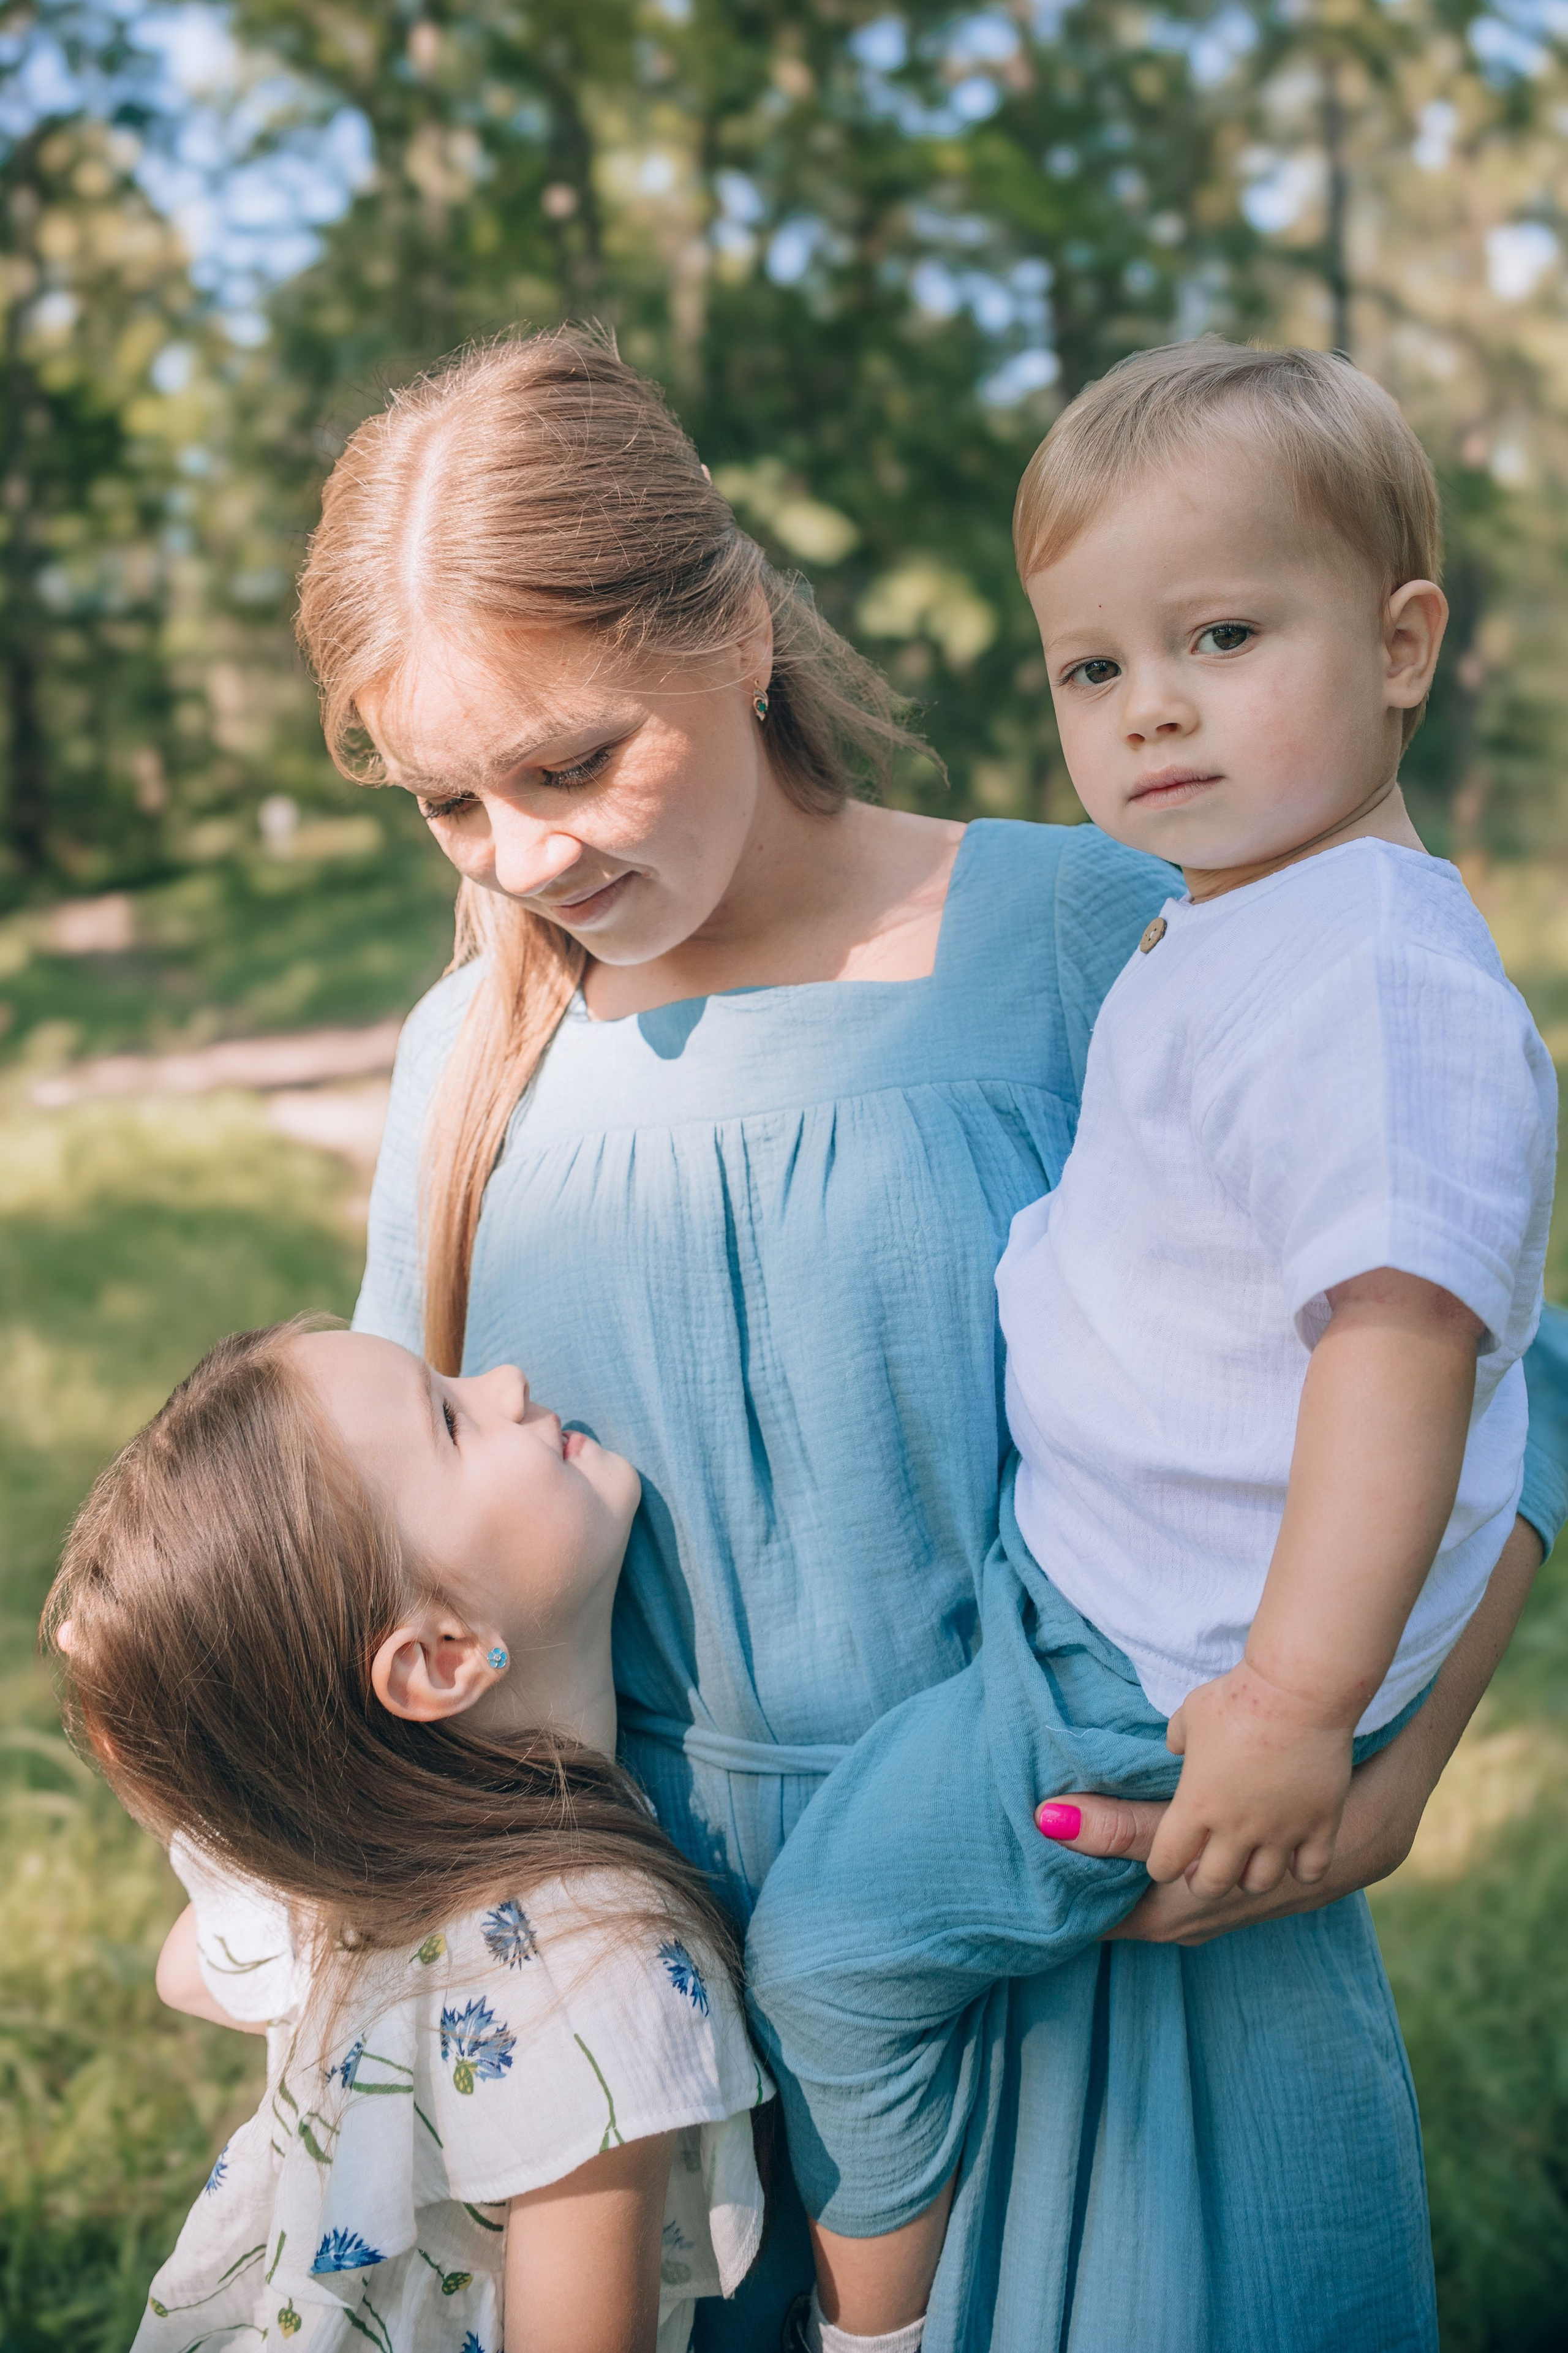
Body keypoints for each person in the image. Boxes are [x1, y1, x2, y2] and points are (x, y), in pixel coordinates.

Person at [309, 327, 1568, 2348]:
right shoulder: (478, 1058)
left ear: (734, 631)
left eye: (572, 761)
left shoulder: (1124, 924)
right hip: (673, 2026)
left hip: (1120, 1918)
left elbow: (1483, 1355)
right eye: (458, 803)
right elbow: (365, 1538)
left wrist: (1390, 1762)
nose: (531, 851)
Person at [743, 341, 1557, 2352]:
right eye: (1092, 669)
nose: (1152, 705)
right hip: (1140, 1605)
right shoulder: (1254, 917)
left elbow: (1404, 1354)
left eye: (1220, 632)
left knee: (833, 1955)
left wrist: (1292, 1707)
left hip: (1167, 1677)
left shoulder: (1370, 978)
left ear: (1400, 644)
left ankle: (877, 2332)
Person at [45, 1320, 770, 2353]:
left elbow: (186, 1969)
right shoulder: (603, 1977)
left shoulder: (342, 1886)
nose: (509, 1379)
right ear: (440, 1655)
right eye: (451, 1417)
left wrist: (163, 1723)